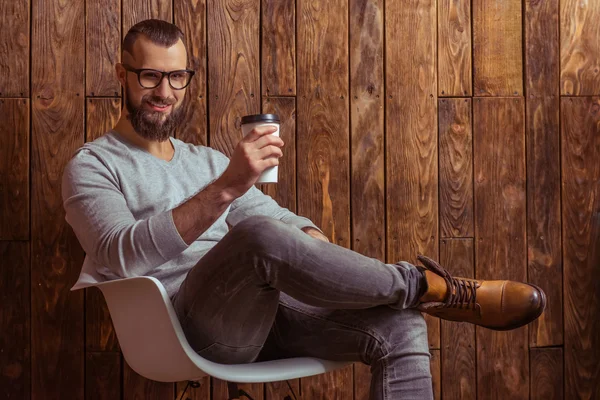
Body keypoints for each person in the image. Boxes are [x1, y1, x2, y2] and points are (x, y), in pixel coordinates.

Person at [63, 19, 546, 400]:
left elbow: (282, 225)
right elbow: (117, 254)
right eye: (150, 75)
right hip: (183, 329)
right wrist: (226, 189)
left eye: (177, 77)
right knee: (257, 237)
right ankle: (425, 285)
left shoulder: (205, 160)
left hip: (264, 315)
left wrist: (314, 251)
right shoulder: (92, 165)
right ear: (122, 75)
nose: (164, 92)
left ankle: (418, 296)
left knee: (399, 324)